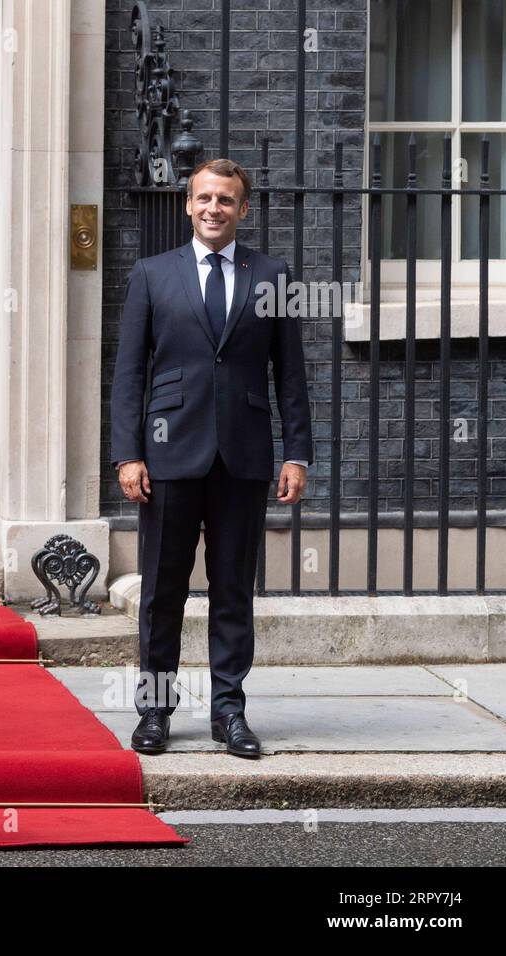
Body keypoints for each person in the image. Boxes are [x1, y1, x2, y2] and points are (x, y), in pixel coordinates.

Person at [110, 157, 312, 759]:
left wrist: (297, 452)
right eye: (203, 198)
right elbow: (128, 374)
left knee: (232, 591)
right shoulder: (152, 274)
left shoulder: (272, 275)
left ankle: (229, 711)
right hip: (169, 453)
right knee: (161, 592)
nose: (213, 208)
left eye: (225, 200)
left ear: (242, 209)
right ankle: (154, 711)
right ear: (187, 204)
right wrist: (127, 454)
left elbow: (292, 376)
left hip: (244, 456)